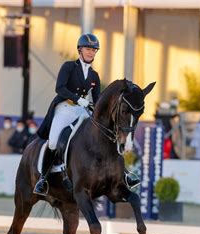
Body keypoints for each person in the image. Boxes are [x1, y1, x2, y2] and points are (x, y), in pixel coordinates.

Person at [34, 33, 140, 196]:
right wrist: (78, 99)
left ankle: (124, 174)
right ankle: (43, 178)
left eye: (94, 50)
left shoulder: (94, 76)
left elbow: (98, 100)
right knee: (54, 141)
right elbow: (60, 88)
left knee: (101, 136)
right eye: (88, 49)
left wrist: (95, 109)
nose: (91, 53)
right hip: (65, 108)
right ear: (80, 50)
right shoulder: (68, 67)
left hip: (82, 111)